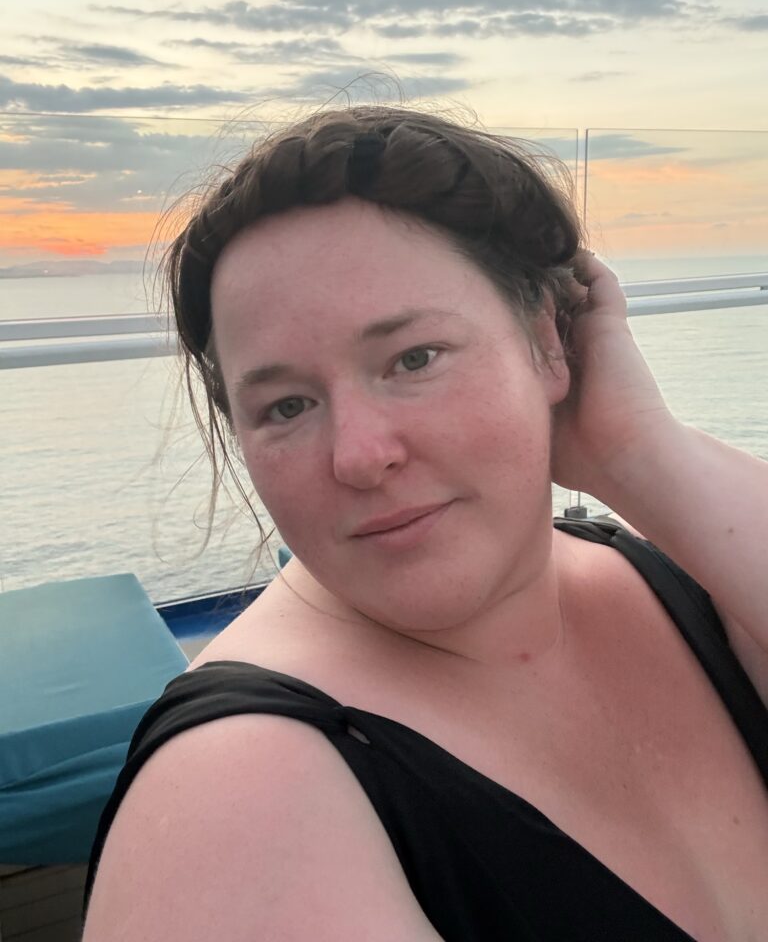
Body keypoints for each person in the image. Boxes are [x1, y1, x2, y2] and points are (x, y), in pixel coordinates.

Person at [82, 106, 768, 942]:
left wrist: (637, 451)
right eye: (287, 405)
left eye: (414, 359)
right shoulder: (237, 800)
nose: (359, 456)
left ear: (553, 346)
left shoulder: (684, 587)